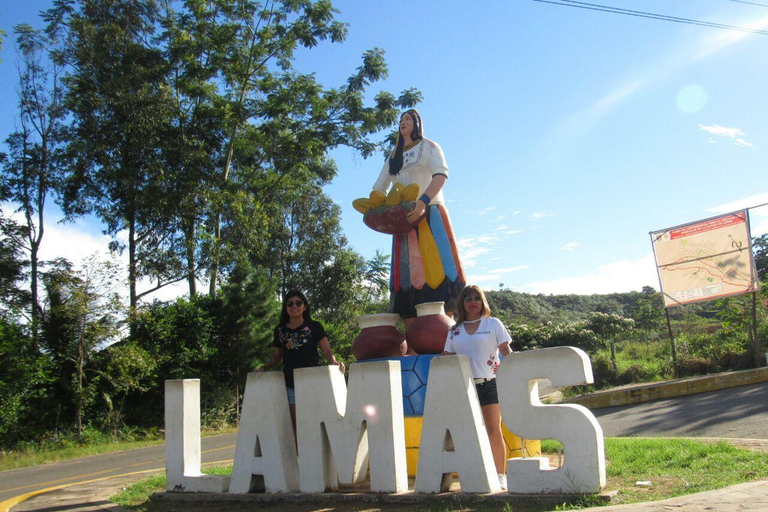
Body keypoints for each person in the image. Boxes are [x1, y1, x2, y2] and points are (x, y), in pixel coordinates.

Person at [371, 109, 466, 320]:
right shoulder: (393, 157)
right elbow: (379, 187)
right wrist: (376, 210)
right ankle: (412, 341)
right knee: (405, 279)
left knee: (440, 272)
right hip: (403, 221)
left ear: (417, 124)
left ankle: (445, 330)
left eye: (407, 119)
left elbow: (440, 175)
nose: (403, 122)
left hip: (431, 215)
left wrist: (423, 202)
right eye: (400, 120)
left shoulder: (429, 147)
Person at [442, 285, 513, 491]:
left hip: (490, 384)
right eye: (468, 298)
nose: (473, 301)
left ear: (482, 302)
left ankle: (500, 474)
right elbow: (447, 357)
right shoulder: (454, 331)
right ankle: (475, 474)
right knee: (468, 432)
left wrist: (519, 370)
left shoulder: (493, 324)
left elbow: (506, 351)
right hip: (464, 388)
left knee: (493, 430)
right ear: (462, 303)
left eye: (477, 298)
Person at [257, 290, 345, 435]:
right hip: (290, 384)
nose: (294, 306)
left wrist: (334, 361)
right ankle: (300, 456)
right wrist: (263, 368)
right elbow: (277, 357)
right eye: (290, 303)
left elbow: (327, 351)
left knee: (315, 422)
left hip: (313, 381)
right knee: (296, 425)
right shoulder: (279, 330)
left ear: (304, 306)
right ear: (285, 308)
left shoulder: (315, 326)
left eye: (298, 303)